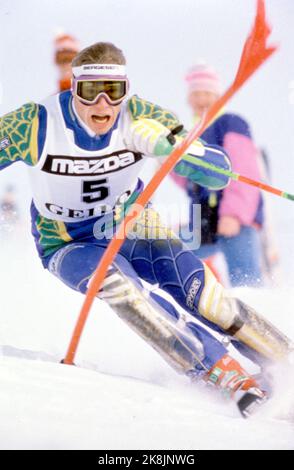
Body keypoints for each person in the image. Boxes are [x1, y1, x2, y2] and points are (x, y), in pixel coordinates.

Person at [0, 42, 292, 417]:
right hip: (69, 241)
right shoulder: (36, 124)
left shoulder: (141, 115)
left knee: (204, 298)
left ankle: (283, 361)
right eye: (91, 91)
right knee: (124, 291)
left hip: (134, 224)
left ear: (126, 89)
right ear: (73, 88)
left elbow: (218, 172)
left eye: (114, 91)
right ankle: (220, 373)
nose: (103, 104)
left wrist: (172, 147)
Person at [179, 63, 265, 287]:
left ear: (218, 95)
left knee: (246, 281)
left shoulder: (230, 123)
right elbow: (190, 179)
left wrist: (234, 214)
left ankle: (256, 313)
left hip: (235, 219)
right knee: (175, 257)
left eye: (207, 93)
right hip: (204, 219)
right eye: (196, 93)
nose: (201, 99)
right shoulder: (192, 133)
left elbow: (244, 171)